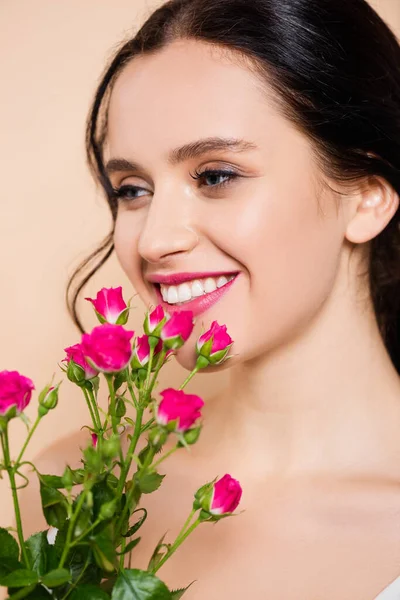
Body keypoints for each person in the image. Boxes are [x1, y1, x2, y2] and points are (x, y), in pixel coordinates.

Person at [21, 0, 400, 598]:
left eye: (215, 175)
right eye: (133, 189)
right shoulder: (66, 495)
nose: (154, 238)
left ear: (367, 197)